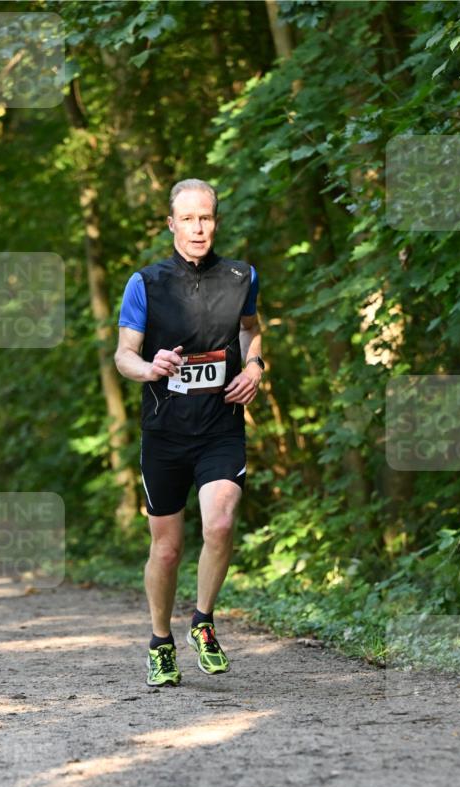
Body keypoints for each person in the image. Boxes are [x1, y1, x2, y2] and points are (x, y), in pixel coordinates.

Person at [115, 178, 264, 688]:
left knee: (220, 525)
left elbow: (250, 328)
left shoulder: (242, 276)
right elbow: (123, 357)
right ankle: (160, 641)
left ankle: (202, 622)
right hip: (165, 432)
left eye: (207, 218)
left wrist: (256, 366)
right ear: (171, 223)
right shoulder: (146, 284)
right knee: (168, 548)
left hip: (220, 424)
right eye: (189, 219)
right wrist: (151, 365)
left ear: (215, 222)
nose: (198, 228)